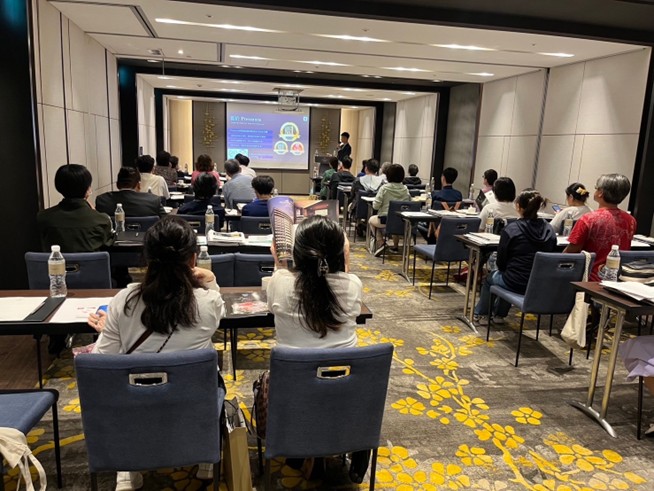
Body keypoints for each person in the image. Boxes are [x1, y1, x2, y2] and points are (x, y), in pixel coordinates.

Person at [91, 216, 225, 490]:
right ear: (193, 258)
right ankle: (205, 458)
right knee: (210, 362)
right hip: (193, 404)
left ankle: (128, 469)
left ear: (148, 259)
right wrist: (210, 281)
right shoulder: (208, 303)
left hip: (136, 404)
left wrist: (110, 330)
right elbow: (217, 312)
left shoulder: (125, 300)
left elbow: (101, 361)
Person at [266, 216, 369, 483]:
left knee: (266, 380)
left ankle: (301, 450)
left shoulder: (279, 282)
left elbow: (277, 295)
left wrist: (279, 261)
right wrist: (344, 259)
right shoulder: (353, 285)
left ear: (297, 252)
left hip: (292, 391)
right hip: (344, 388)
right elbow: (341, 281)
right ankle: (350, 443)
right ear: (340, 252)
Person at [37, 164, 114, 355]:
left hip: (53, 283)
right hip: (96, 284)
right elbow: (109, 242)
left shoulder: (43, 217)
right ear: (88, 189)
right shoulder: (100, 219)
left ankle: (56, 336)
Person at [473, 190, 557, 325]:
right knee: (507, 274)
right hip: (538, 284)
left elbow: (501, 262)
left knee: (492, 278)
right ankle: (499, 315)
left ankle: (482, 314)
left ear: (518, 206)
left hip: (515, 281)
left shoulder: (512, 229)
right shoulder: (548, 229)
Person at [564, 174, 636, 281]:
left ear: (600, 193)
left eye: (596, 188)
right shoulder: (631, 220)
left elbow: (570, 253)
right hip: (618, 279)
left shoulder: (588, 219)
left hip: (588, 279)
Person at [369, 163, 411, 256]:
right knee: (395, 222)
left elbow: (375, 206)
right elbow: (409, 203)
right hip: (401, 220)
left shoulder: (384, 188)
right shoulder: (405, 189)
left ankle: (381, 242)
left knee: (371, 220)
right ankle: (395, 246)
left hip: (385, 219)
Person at [96, 167, 166, 217]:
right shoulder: (153, 201)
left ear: (117, 185)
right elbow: (166, 222)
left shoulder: (102, 201)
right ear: (138, 185)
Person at [350, 159, 384, 236]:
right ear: (377, 170)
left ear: (366, 168)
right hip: (376, 210)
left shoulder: (358, 181)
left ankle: (358, 223)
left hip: (358, 208)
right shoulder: (382, 183)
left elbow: (352, 195)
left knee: (353, 203)